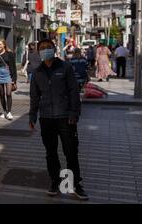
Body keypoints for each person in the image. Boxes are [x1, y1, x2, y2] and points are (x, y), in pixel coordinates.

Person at [29, 39, 88, 201]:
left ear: (54, 49)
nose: (45, 50)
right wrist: (32, 116)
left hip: (65, 118)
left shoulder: (65, 67)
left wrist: (74, 113)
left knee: (70, 152)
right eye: (42, 48)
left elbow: (73, 92)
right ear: (39, 52)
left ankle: (75, 184)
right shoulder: (37, 72)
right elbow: (34, 96)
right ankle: (55, 181)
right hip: (46, 118)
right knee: (51, 153)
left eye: (48, 48)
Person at [0, 39, 17, 121]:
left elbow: (13, 67)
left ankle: (9, 112)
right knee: (1, 94)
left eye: (0, 44)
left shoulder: (10, 54)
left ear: (4, 45)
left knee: (8, 93)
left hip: (7, 74)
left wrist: (14, 79)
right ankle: (5, 111)